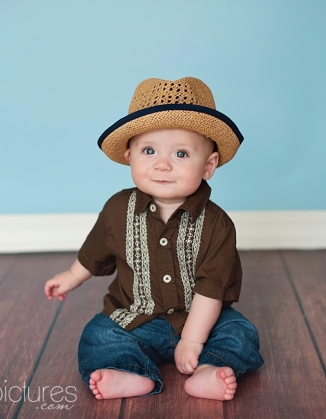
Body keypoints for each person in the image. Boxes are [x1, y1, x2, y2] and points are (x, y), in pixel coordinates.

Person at [44, 77, 263, 401]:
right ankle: (129, 372)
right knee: (97, 334)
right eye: (149, 150)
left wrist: (192, 340)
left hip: (201, 319)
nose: (162, 164)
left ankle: (208, 370)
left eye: (181, 153)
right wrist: (72, 277)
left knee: (240, 333)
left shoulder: (217, 225)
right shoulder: (118, 209)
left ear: (209, 165)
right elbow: (95, 251)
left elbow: (210, 289)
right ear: (130, 154)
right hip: (137, 319)